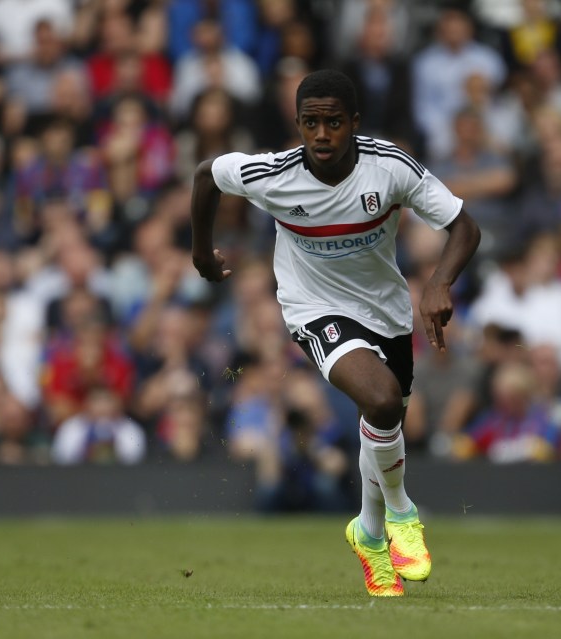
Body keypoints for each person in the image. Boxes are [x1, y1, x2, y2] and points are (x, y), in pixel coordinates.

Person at [190, 69, 480, 597]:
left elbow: (464, 225)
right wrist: (200, 251)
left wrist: (439, 282)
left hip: (386, 311)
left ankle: (368, 535)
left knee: (382, 420)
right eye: (310, 123)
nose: (321, 135)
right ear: (298, 124)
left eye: (333, 123)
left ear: (354, 124)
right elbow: (207, 173)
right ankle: (402, 514)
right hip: (312, 306)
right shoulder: (274, 174)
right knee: (383, 400)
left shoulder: (389, 168)